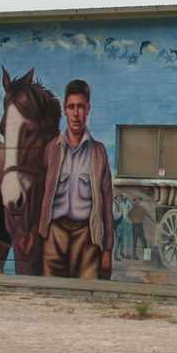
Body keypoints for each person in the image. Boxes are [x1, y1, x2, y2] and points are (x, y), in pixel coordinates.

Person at [38, 79, 114, 280]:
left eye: (80, 107)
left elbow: (107, 204)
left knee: (87, 296)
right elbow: (38, 195)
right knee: (51, 296)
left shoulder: (98, 152)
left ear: (88, 109)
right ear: (64, 110)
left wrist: (107, 250)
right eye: (71, 107)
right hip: (54, 234)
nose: (76, 113)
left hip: (87, 236)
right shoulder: (52, 149)